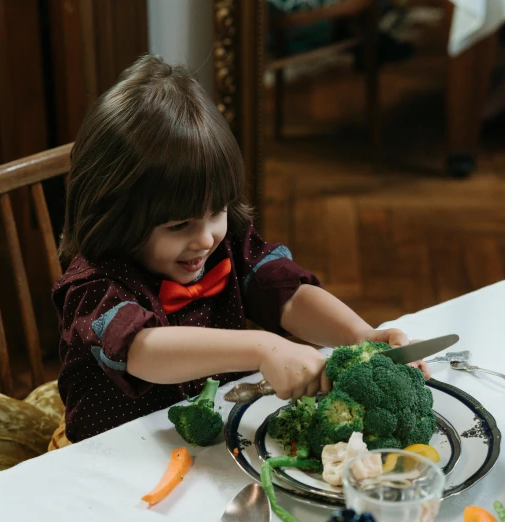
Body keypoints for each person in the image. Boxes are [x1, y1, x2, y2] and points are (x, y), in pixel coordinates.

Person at [52, 55, 427, 444]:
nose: (205, 239)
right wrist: (262, 348)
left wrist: (360, 335)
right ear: (115, 215)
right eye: (179, 225)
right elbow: (142, 349)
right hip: (113, 454)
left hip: (215, 441)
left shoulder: (223, 242)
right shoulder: (92, 284)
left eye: (216, 212)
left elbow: (287, 294)